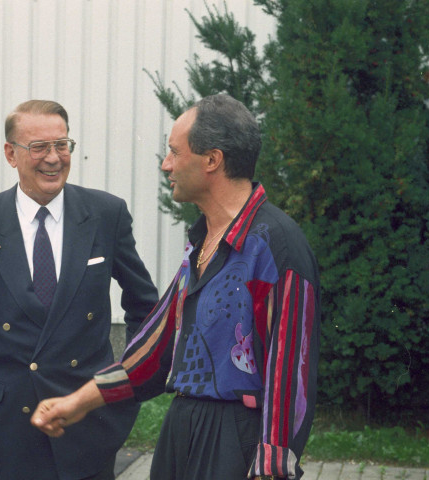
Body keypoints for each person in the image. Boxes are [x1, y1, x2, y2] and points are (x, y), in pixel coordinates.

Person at [32, 94, 321, 480]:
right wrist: (78, 403)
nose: (166, 164)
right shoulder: (202, 242)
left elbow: (290, 375)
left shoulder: (275, 245)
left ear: (211, 160)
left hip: (236, 441)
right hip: (182, 432)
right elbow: (154, 350)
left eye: (173, 152)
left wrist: (271, 468)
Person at [0, 99, 159, 480]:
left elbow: (145, 309)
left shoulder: (105, 214)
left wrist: (122, 386)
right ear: (11, 154)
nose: (54, 158)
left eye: (62, 145)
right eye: (39, 147)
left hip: (86, 425)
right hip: (0, 432)